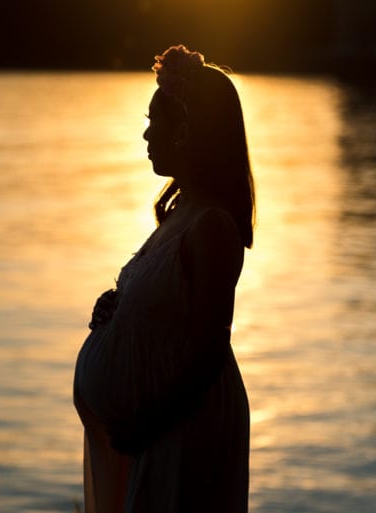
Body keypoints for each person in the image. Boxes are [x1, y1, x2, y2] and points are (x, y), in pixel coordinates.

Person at [73, 44, 255, 513]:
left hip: (181, 430)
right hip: (156, 429)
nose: (147, 133)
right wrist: (117, 311)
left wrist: (147, 426)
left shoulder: (212, 226)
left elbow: (209, 350)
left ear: (188, 131)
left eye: (156, 121)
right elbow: (169, 312)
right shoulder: (180, 214)